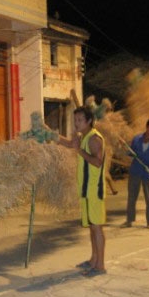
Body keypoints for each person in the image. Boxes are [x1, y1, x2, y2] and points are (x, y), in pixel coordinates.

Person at [58, 106, 107, 276]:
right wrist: (49, 134)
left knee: (97, 228)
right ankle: (93, 260)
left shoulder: (94, 139)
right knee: (92, 227)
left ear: (89, 121)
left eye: (79, 120)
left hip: (94, 190)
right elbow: (69, 144)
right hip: (86, 190)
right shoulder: (83, 136)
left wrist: (79, 150)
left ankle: (100, 266)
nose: (76, 123)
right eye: (75, 120)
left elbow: (98, 162)